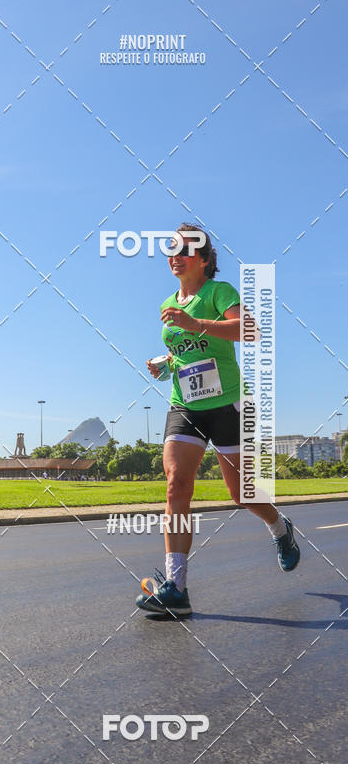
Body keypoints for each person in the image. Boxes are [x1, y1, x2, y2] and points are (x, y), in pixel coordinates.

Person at [136, 223, 299, 617]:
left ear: (205, 259)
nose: (175, 257)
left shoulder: (218, 292)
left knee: (241, 494)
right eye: (170, 251)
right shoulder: (167, 303)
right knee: (177, 486)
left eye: (185, 251)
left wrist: (197, 324)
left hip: (227, 405)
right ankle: (176, 586)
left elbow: (250, 330)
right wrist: (167, 364)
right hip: (185, 404)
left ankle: (279, 528)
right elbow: (187, 352)